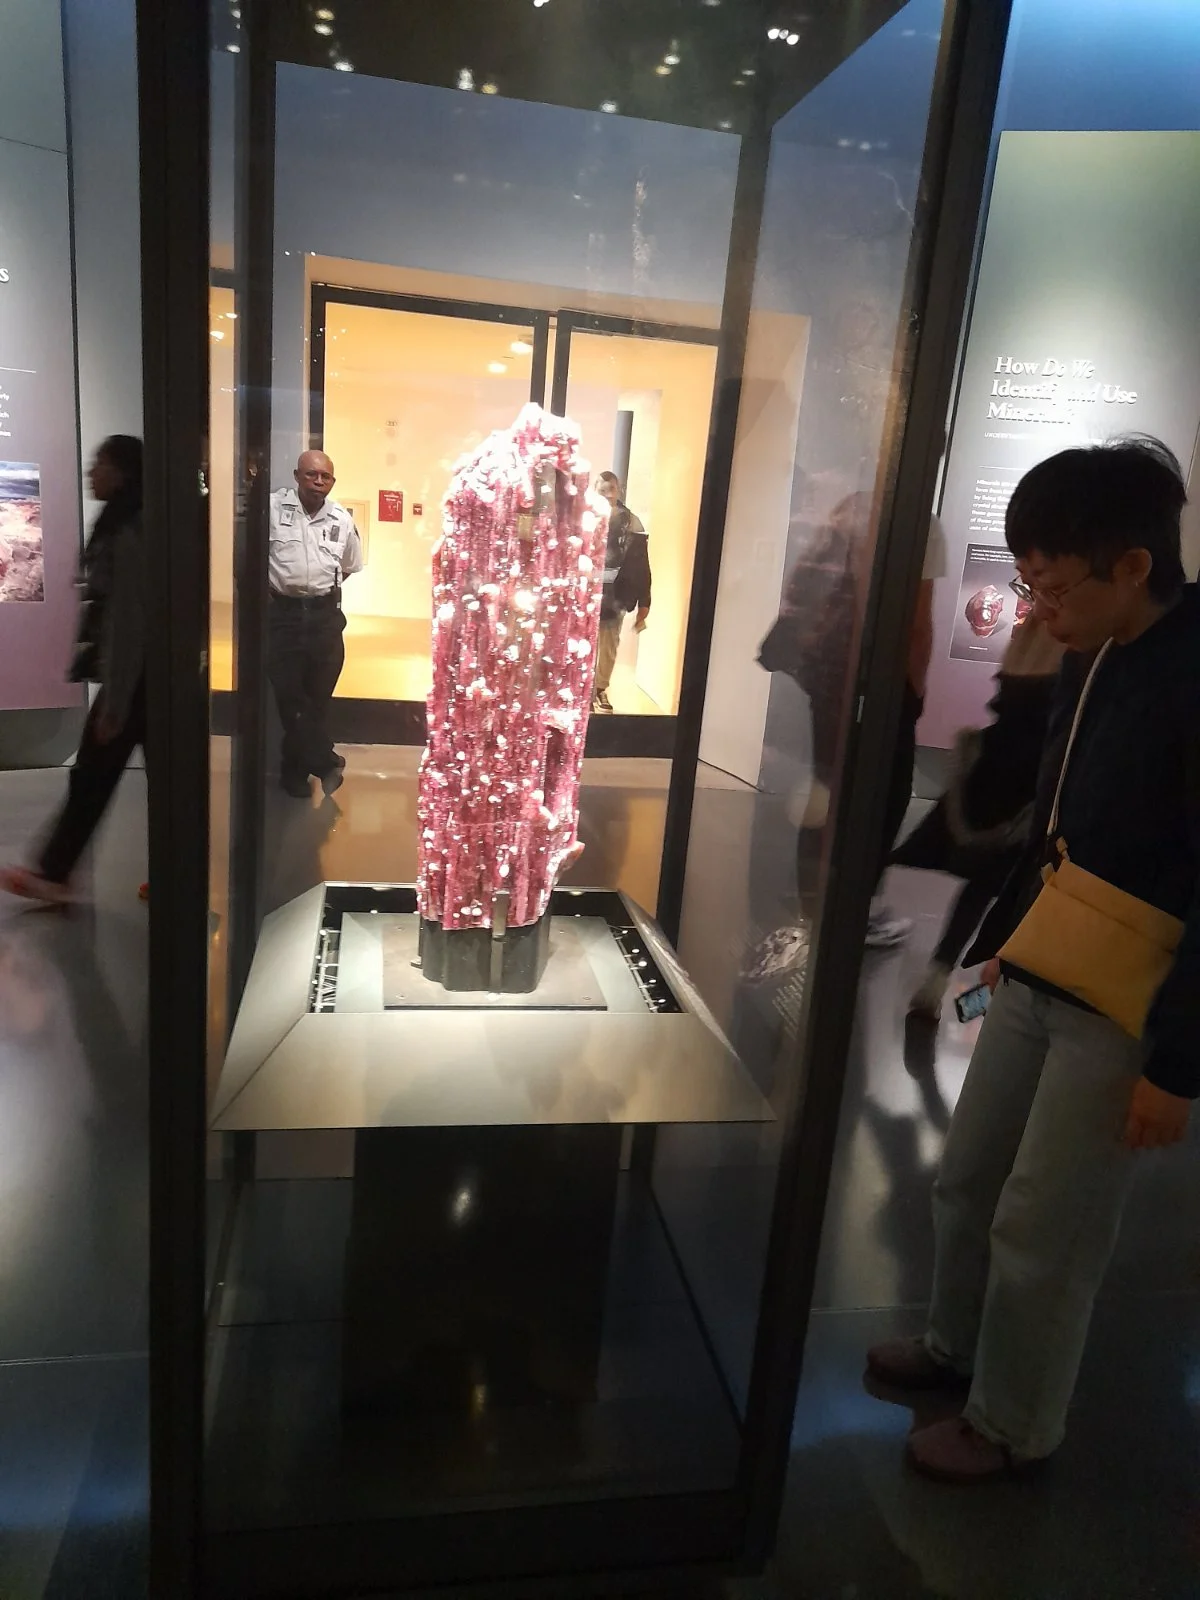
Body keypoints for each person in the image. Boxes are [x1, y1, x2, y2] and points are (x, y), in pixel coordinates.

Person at [867, 436, 1199, 1484]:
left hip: (1128, 997)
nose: (1040, 608)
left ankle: (1013, 1424)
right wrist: (1005, 943)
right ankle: (955, 1346)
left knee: (1048, 1222)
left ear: (1133, 565)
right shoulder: (1093, 652)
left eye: (1054, 586)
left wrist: (1177, 1066)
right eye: (1030, 583)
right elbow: (1048, 816)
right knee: (969, 1177)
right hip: (1044, 956)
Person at [896, 614, 1065, 1020]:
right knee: (1026, 897)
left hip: (999, 776)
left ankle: (940, 980)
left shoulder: (1032, 634)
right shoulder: (1072, 643)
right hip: (1036, 784)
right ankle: (985, 1001)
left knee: (982, 887)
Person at [0, 436, 146, 904]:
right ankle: (58, 872)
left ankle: (55, 872)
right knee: (110, 777)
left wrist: (116, 702)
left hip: (138, 680)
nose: (91, 473)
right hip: (141, 679)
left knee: (93, 775)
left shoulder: (130, 530)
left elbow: (129, 620)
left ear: (122, 472)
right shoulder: (126, 523)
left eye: (100, 464)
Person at [268, 450, 363, 797]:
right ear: (297, 476)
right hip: (284, 618)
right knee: (291, 700)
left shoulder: (341, 519)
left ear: (332, 481)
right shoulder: (272, 511)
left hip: (325, 620)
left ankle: (293, 776)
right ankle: (325, 762)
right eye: (311, 474)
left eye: (325, 476)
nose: (318, 482)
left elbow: (349, 566)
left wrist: (317, 593)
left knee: (317, 702)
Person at [592, 471, 651, 714]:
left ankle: (599, 688)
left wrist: (645, 601)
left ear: (619, 490)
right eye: (602, 490)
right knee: (581, 645)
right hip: (585, 594)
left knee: (608, 645)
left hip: (615, 596)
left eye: (611, 489)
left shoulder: (631, 523)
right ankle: (582, 690)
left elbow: (641, 562)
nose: (607, 495)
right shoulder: (584, 519)